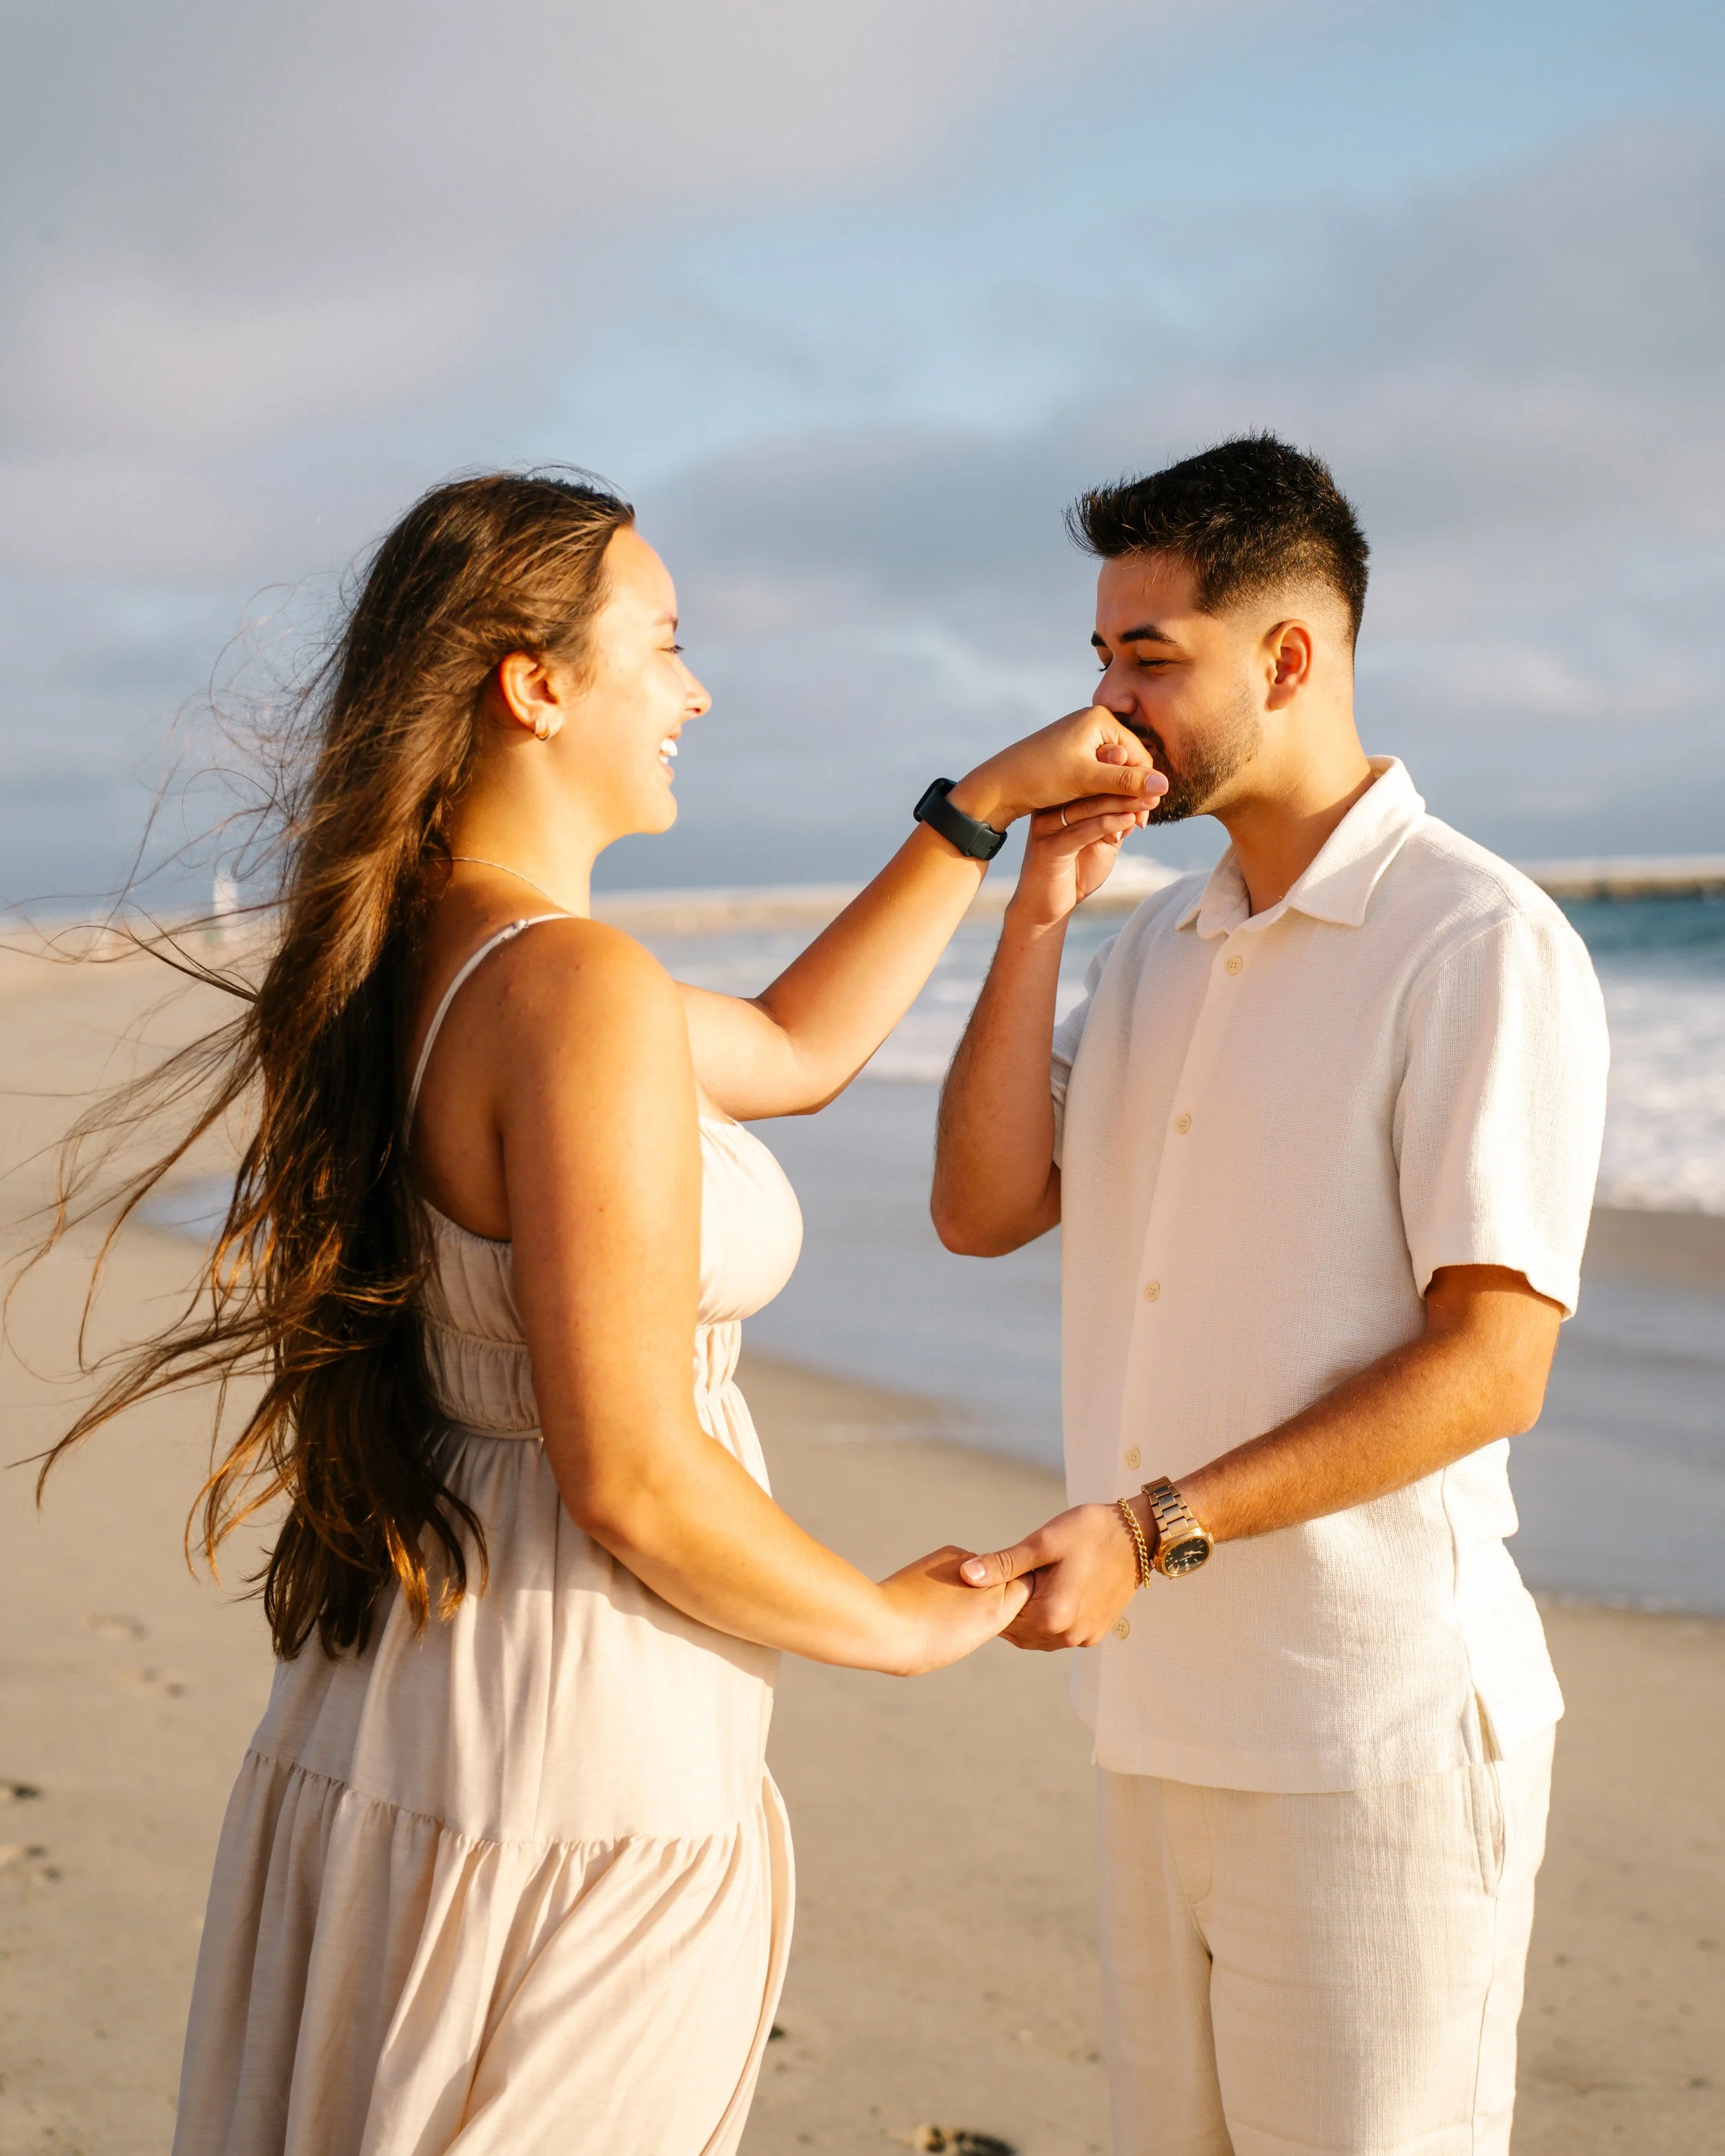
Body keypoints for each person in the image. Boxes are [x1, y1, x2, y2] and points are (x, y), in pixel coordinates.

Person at [39, 470, 1165, 2155]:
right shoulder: (568, 988)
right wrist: (890, 1618)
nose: (695, 692)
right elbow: (632, 1473)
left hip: (411, 1689)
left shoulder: (437, 955)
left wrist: (983, 816)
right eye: (666, 642)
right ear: (535, 681)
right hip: (575, 1735)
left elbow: (789, 1052)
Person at [932, 435, 1609, 2156]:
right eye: (1097, 658)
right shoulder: (1152, 937)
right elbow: (983, 1203)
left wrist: (1153, 1525)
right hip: (1159, 1717)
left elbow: (1490, 1365)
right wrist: (1036, 913)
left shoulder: (1474, 939)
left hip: (1367, 1731)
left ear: (1286, 659)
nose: (1105, 706)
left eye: (1146, 659)